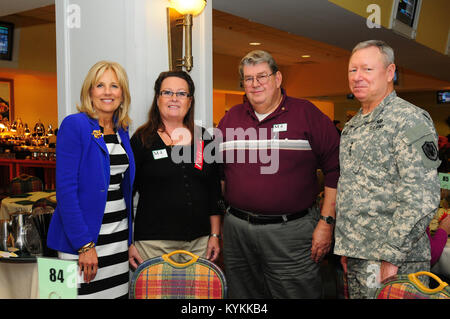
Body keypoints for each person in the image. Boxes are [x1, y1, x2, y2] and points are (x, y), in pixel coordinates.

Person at [217, 50, 340, 298]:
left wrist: (326, 223)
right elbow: (219, 173)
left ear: (278, 78)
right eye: (248, 78)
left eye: (262, 76)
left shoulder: (306, 114)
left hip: (291, 233)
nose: (255, 84)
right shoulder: (230, 119)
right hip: (237, 232)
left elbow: (336, 170)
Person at [334, 40, 441, 299]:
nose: (357, 77)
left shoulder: (410, 120)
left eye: (367, 70)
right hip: (359, 256)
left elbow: (422, 198)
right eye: (352, 70)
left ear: (390, 72)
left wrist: (391, 257)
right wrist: (347, 247)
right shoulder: (353, 126)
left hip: (395, 261)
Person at [47, 61, 135, 298]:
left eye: (114, 86)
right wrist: (84, 245)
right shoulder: (74, 125)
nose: (107, 92)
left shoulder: (122, 129)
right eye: (100, 85)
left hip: (117, 239)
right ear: (89, 91)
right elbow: (66, 191)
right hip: (81, 241)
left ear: (122, 93)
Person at [128, 70, 222, 268]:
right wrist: (129, 241)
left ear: (190, 101)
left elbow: (213, 192)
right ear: (157, 98)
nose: (174, 98)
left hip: (199, 243)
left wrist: (214, 235)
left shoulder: (204, 139)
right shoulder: (141, 139)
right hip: (153, 244)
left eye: (181, 93)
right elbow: (126, 195)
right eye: (167, 92)